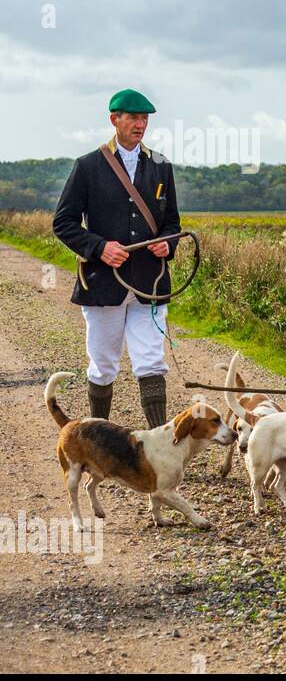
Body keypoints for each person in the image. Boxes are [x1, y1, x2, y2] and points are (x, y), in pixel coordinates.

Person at [52, 88, 181, 427]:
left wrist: (167, 244)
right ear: (115, 120)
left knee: (151, 361)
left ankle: (158, 447)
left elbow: (172, 223)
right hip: (103, 284)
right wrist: (99, 248)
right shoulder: (88, 166)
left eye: (145, 118)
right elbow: (63, 223)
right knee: (104, 364)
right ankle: (99, 441)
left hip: (149, 282)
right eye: (134, 118)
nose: (141, 125)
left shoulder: (161, 166)